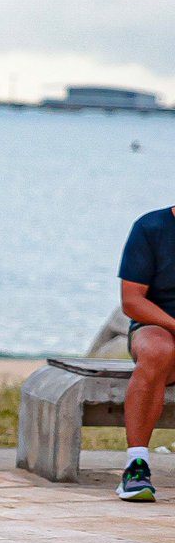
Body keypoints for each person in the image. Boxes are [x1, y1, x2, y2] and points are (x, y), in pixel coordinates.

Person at [117, 206, 175, 502]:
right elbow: (132, 301)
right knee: (157, 350)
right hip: (157, 327)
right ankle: (136, 466)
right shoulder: (151, 228)